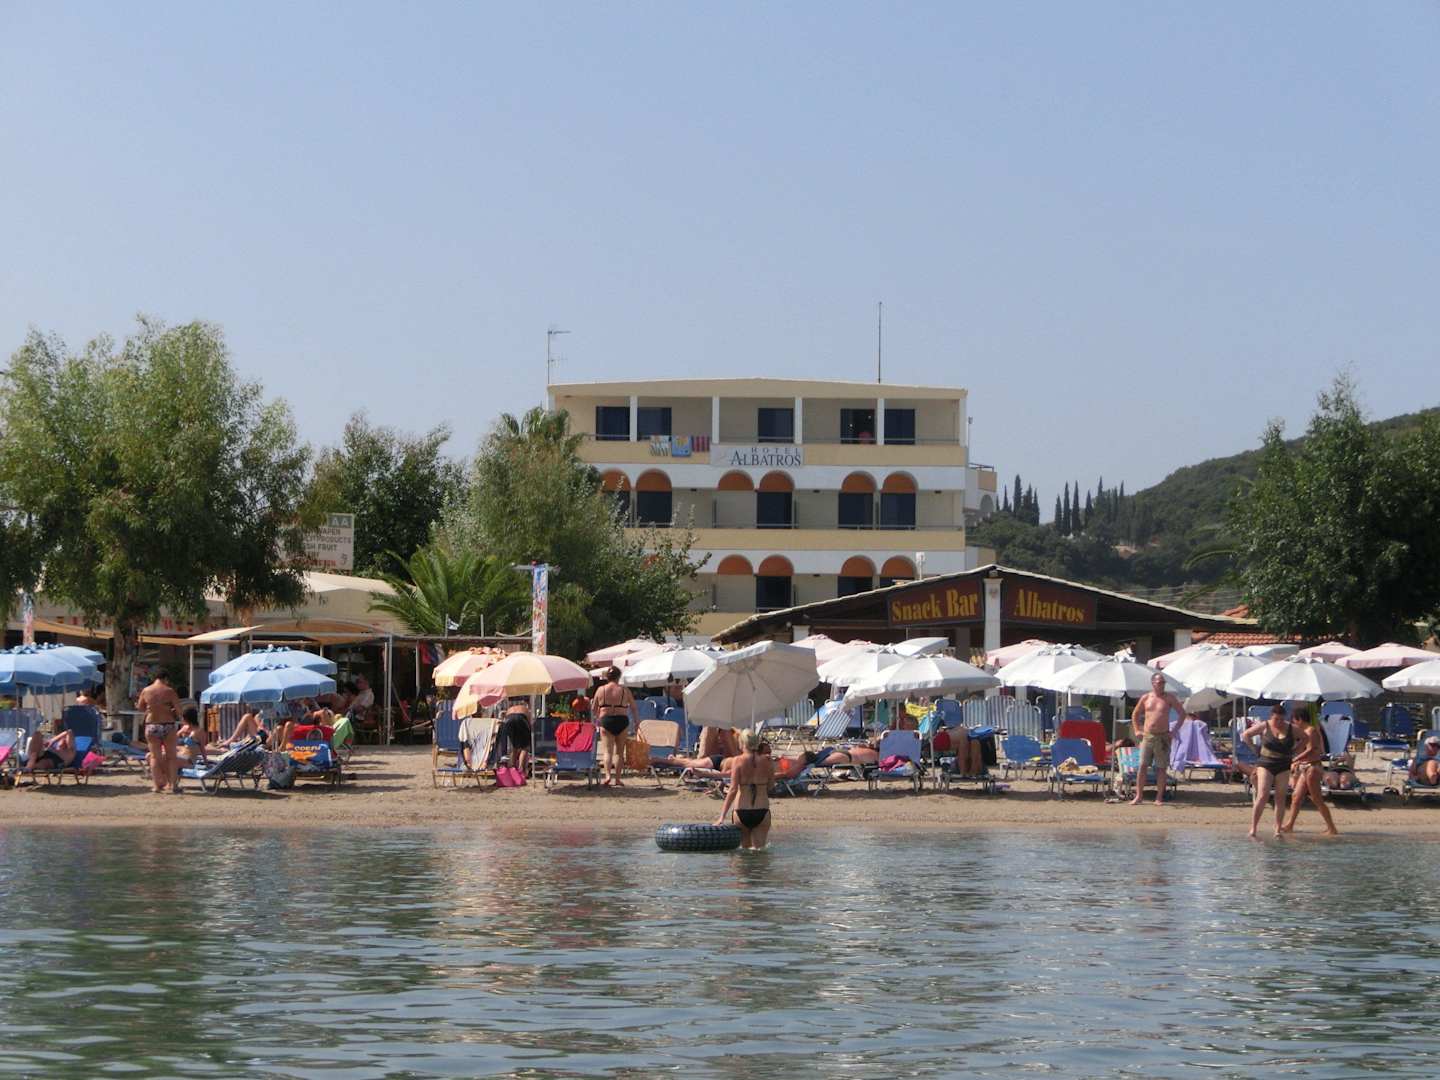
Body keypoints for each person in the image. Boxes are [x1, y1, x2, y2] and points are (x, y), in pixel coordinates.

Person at [1128, 672, 1186, 806]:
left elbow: (1182, 714)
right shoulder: (1146, 697)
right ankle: (1139, 796)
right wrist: (1137, 729)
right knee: (1142, 765)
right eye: (1159, 683)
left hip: (1163, 736)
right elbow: (1135, 714)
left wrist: (1174, 731)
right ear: (1153, 683)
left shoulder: (1169, 698)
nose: (1162, 685)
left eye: (1163, 683)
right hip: (1148, 736)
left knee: (1161, 767)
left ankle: (1159, 797)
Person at [1281, 707, 1338, 836]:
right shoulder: (1303, 732)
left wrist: (1295, 759)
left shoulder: (1311, 731)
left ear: (1299, 720)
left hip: (1313, 768)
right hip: (1305, 767)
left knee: (1317, 799)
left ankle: (1331, 828)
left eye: (1294, 721)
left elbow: (1311, 749)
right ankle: (1290, 825)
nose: (1294, 724)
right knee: (1296, 797)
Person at [715, 729, 776, 849]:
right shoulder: (768, 761)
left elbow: (733, 790)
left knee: (744, 853)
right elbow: (771, 785)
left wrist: (722, 817)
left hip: (741, 810)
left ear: (742, 743)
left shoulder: (737, 761)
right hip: (762, 809)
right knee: (760, 852)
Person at [1244, 703, 1295, 838]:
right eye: (1276, 719)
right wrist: (1254, 749)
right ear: (1271, 717)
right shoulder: (1265, 725)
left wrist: (1295, 750)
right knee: (1263, 794)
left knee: (1280, 797)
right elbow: (1246, 734)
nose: (1278, 722)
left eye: (1281, 719)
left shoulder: (1290, 728)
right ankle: (1253, 828)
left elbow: (1305, 738)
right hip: (1266, 763)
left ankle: (1277, 829)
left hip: (1284, 764)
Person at [136, 670, 183, 794]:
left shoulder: (146, 690)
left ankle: (156, 786)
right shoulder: (169, 691)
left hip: (152, 725)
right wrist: (170, 710)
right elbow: (179, 710)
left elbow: (140, 707)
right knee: (171, 757)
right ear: (165, 679)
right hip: (168, 724)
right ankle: (173, 785)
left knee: (155, 757)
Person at [592, 667, 639, 787]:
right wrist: (636, 722)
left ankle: (608, 776)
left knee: (607, 751)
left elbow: (593, 708)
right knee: (619, 752)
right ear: (619, 677)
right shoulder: (625, 690)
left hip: (606, 720)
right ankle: (617, 779)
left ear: (607, 677)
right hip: (622, 720)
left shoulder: (601, 689)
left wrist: (597, 719)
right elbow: (634, 707)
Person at [502, 696, 533, 777]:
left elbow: (505, 718)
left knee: (514, 747)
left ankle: (511, 769)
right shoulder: (525, 708)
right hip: (521, 718)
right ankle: (521, 770)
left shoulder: (510, 708)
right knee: (524, 747)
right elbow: (530, 723)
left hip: (509, 719)